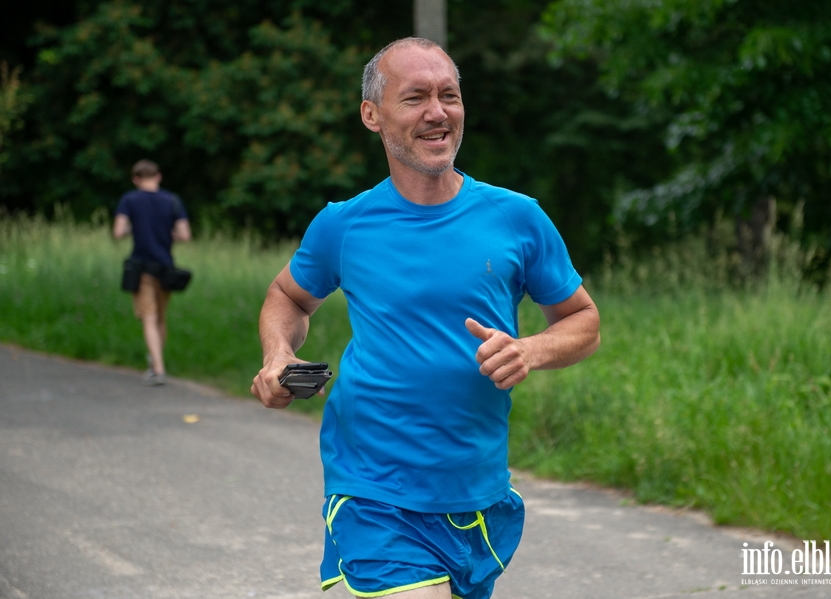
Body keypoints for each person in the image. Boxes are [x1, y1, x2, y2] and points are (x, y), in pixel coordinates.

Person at [251, 37, 600, 599]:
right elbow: (287, 297)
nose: (438, 113)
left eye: (449, 96)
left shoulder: (518, 218)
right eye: (415, 98)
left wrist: (529, 349)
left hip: (477, 493)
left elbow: (583, 321)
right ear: (372, 115)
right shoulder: (344, 224)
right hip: (373, 489)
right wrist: (279, 356)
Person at [113, 159, 192, 386]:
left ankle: (157, 369)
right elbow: (184, 235)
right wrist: (168, 233)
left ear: (136, 179)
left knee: (148, 317)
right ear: (158, 176)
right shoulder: (172, 201)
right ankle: (155, 362)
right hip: (166, 267)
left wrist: (134, 227)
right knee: (160, 318)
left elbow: (118, 231)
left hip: (141, 267)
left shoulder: (129, 200)